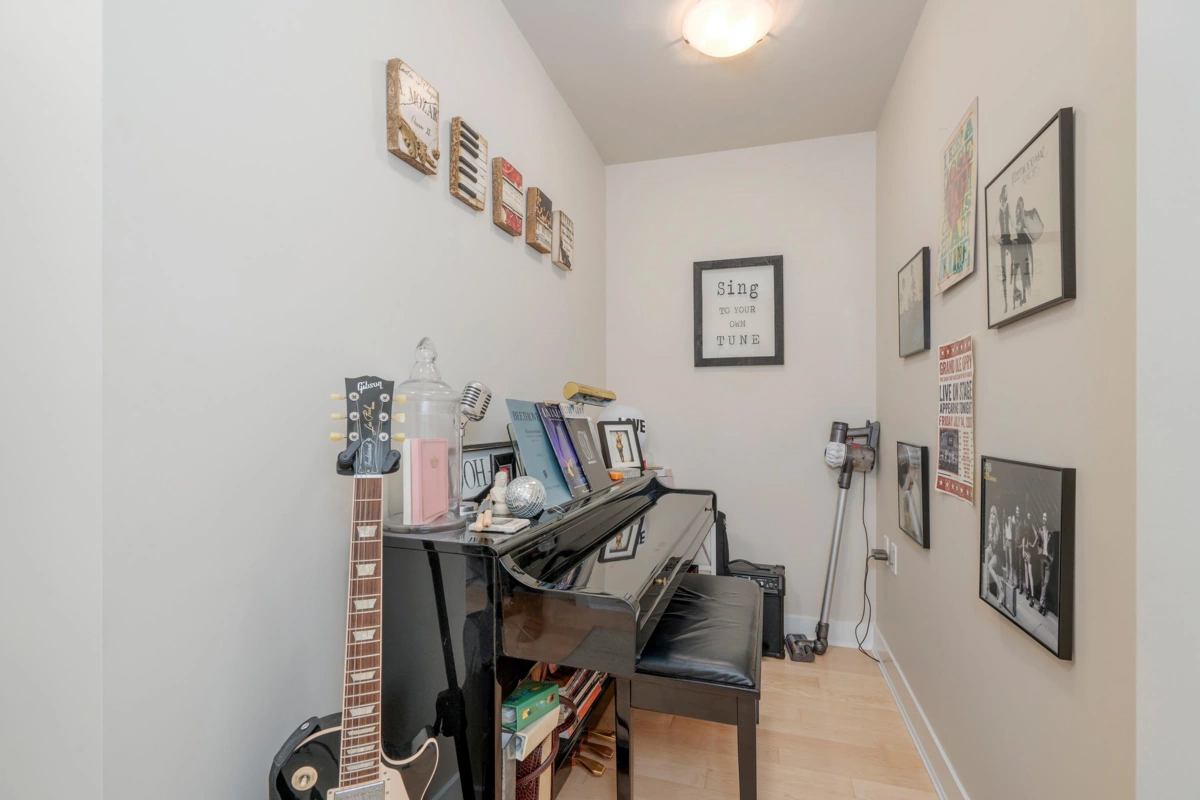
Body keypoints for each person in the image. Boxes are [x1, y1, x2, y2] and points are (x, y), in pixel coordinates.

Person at [1036, 512, 1055, 615]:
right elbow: (1038, 544)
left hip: (1048, 560)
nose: (1044, 519)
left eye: (1045, 517)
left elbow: (1053, 547)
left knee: (1046, 583)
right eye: (1043, 517)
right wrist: (1039, 553)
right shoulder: (1039, 530)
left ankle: (1041, 604)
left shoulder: (1051, 532)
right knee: (1043, 582)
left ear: (1047, 519)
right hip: (1042, 559)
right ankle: (1044, 607)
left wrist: (1052, 558)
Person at [997, 185, 1012, 312]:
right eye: (1006, 192)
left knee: (1012, 268)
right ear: (1002, 194)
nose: (1007, 194)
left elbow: (1011, 223)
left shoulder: (1008, 207)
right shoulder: (999, 210)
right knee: (1004, 272)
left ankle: (1012, 300)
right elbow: (992, 231)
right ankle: (1006, 303)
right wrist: (998, 240)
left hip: (1008, 239)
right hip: (1003, 241)